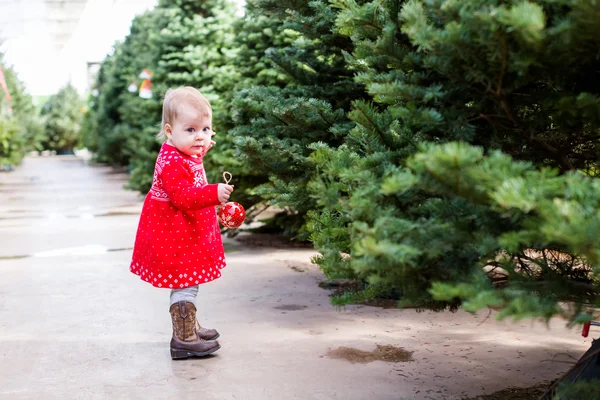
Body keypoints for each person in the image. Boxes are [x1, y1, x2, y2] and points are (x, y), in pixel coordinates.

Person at [130, 87, 234, 360]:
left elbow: (192, 162)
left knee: (188, 281)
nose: (200, 136)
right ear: (169, 131)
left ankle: (190, 327)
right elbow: (184, 196)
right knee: (184, 283)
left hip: (181, 232)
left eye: (206, 129)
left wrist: (201, 148)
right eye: (190, 130)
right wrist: (213, 193)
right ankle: (184, 337)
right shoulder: (172, 162)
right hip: (174, 236)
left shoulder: (183, 153)